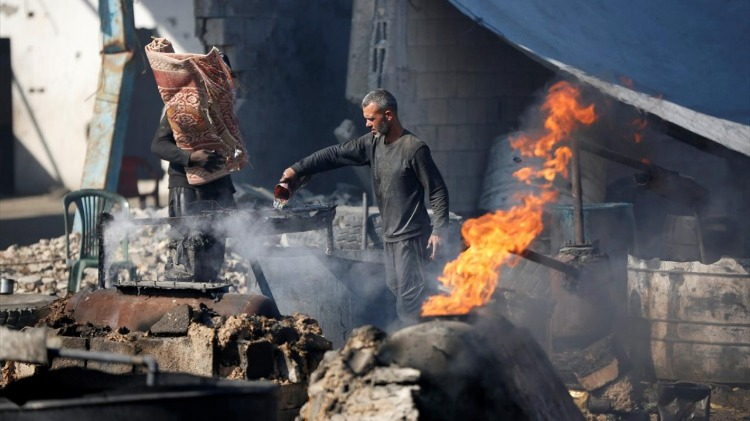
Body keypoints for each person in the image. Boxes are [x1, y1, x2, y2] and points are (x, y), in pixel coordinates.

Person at [277, 89, 449, 323]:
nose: (367, 124)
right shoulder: (373, 143)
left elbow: (437, 190)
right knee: (397, 293)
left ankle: (415, 342)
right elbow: (335, 154)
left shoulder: (414, 149)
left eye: (371, 119)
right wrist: (298, 169)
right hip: (390, 238)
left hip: (412, 238)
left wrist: (438, 230)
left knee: (409, 306)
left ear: (388, 116)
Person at [150, 52, 240, 283]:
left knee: (214, 254)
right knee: (187, 256)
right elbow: (158, 145)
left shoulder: (223, 108)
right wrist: (191, 158)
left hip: (218, 189)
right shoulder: (182, 104)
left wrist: (229, 197)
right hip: (187, 191)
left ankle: (206, 301)